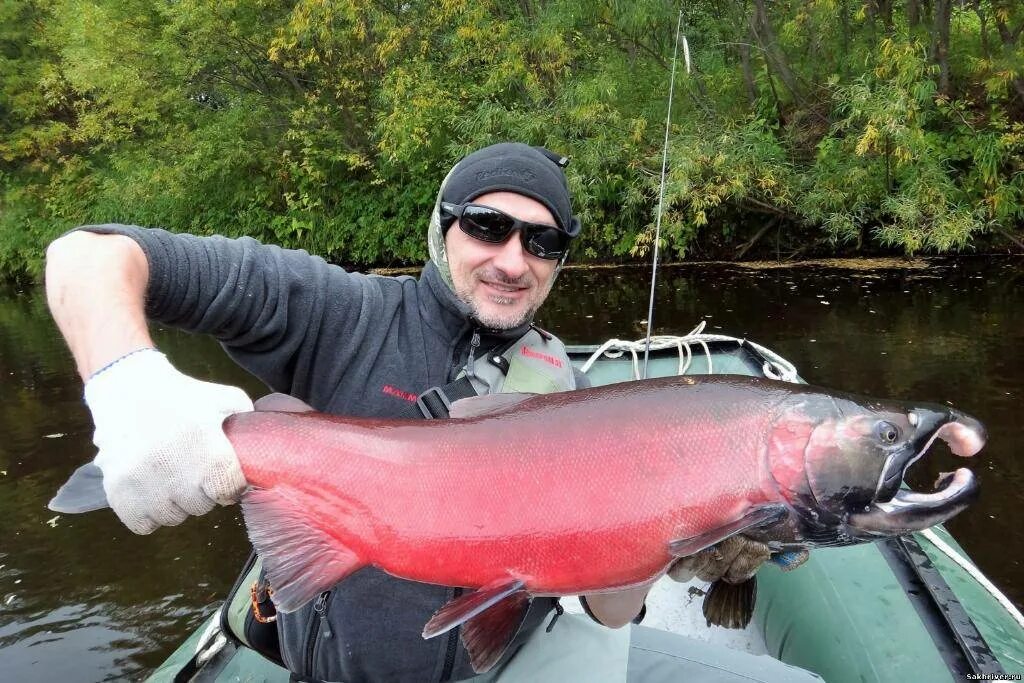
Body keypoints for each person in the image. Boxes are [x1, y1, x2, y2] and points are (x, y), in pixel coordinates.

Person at [45, 142, 816, 682]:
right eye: (486, 226)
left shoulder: (564, 385)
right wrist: (126, 381)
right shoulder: (337, 313)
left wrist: (675, 538)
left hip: (508, 663)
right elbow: (87, 256)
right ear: (442, 224)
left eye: (542, 241)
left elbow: (609, 613)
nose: (513, 260)